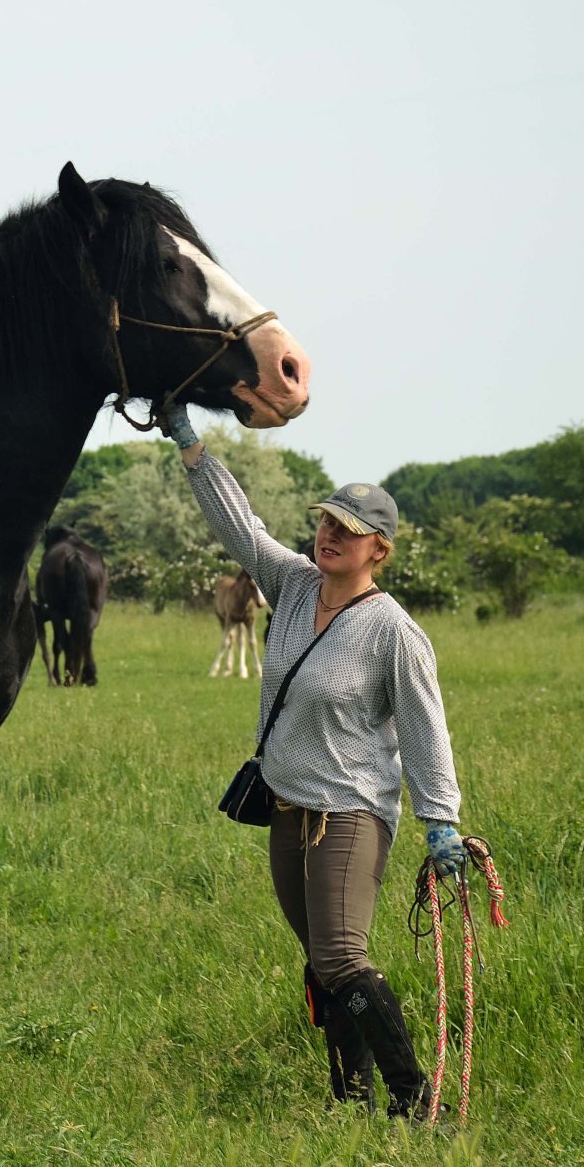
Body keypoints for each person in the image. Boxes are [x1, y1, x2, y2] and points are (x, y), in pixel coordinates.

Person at [159, 402, 467, 1118]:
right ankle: (349, 1096)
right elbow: (242, 527)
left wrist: (441, 822)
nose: (329, 536)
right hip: (286, 809)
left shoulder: (395, 632)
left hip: (350, 813)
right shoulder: (293, 584)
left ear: (378, 549)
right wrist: (190, 446)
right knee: (323, 962)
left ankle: (415, 1101)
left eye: (347, 531)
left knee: (339, 955)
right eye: (326, 522)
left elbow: (427, 731)